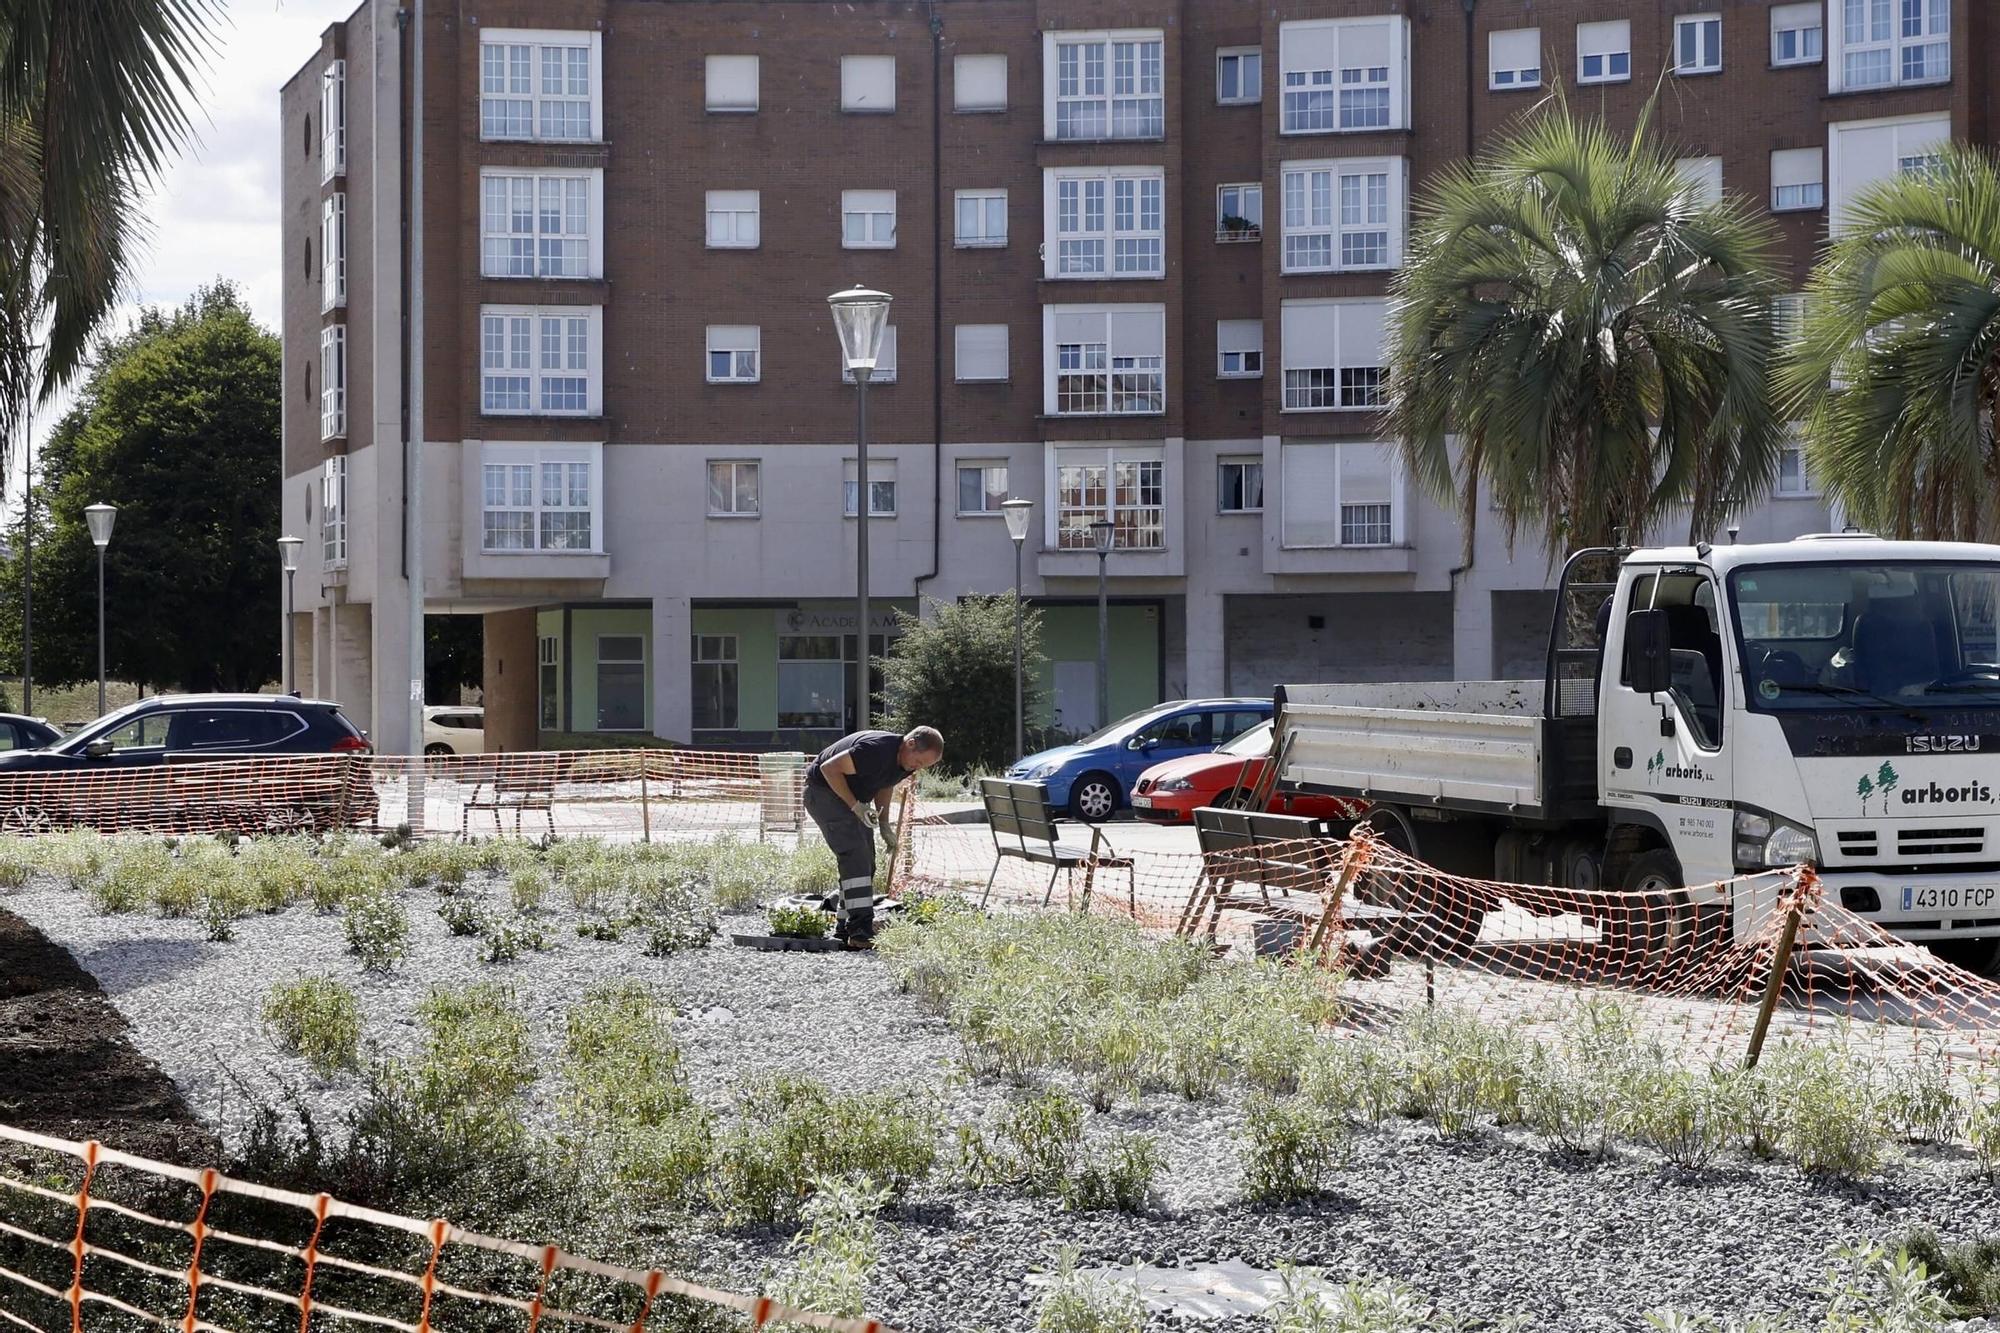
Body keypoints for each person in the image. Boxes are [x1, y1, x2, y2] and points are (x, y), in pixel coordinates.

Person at [802, 726, 945, 948]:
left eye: (924, 766)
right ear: (910, 744)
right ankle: (860, 932)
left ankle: (845, 927)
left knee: (866, 862)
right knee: (855, 855)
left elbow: (885, 785)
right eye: (919, 762)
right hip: (823, 793)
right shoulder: (876, 750)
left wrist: (885, 823)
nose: (918, 768)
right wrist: (856, 806)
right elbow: (829, 769)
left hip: (848, 798)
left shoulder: (903, 762)